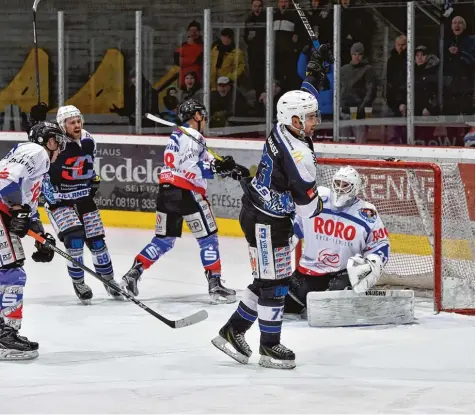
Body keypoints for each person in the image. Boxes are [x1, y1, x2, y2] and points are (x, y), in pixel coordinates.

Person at [212, 90, 325, 370]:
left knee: (268, 280)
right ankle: (269, 345)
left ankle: (232, 331)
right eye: (311, 117)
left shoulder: (281, 127)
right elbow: (309, 209)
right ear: (295, 120)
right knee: (275, 285)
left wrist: (314, 75)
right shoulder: (299, 156)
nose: (316, 122)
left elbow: (300, 95)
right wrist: (321, 202)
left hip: (264, 213)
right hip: (266, 222)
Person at [121, 99, 249, 304]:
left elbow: (204, 161)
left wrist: (228, 168)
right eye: (203, 115)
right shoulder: (194, 135)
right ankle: (215, 285)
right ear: (197, 116)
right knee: (208, 239)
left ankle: (132, 274)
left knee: (163, 240)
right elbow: (189, 165)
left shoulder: (179, 136)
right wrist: (216, 168)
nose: (205, 119)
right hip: (187, 191)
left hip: (166, 191)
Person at [41, 105, 122, 304]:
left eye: (78, 121)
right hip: (61, 202)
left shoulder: (88, 139)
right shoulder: (54, 142)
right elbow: (43, 170)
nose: (77, 125)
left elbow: (86, 165)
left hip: (84, 199)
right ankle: (79, 283)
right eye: (72, 122)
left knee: (97, 242)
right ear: (62, 125)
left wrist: (93, 178)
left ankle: (109, 280)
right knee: (75, 242)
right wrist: (51, 197)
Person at [284, 166, 390, 316]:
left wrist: (373, 262)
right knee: (286, 306)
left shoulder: (366, 212)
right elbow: (296, 224)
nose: (340, 189)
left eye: (345, 185)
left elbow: (380, 243)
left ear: (355, 188)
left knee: (331, 309)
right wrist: (286, 238)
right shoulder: (317, 199)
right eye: (337, 183)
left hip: (343, 273)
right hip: (311, 270)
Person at [0, 122, 66, 360]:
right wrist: (17, 209)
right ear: (46, 140)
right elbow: (5, 180)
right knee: (12, 273)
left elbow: (28, 205)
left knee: (5, 272)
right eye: (56, 140)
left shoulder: (37, 162)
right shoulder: (35, 151)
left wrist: (40, 235)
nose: (59, 147)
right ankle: (6, 337)